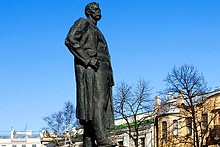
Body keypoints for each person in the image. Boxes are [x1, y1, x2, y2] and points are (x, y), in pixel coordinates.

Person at [65, 2, 115, 147]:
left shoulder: (97, 30)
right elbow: (70, 39)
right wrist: (87, 60)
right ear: (88, 12)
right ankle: (101, 138)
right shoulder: (83, 23)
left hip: (104, 68)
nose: (99, 12)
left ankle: (88, 140)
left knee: (97, 104)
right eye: (95, 10)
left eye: (99, 9)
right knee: (97, 103)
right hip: (94, 68)